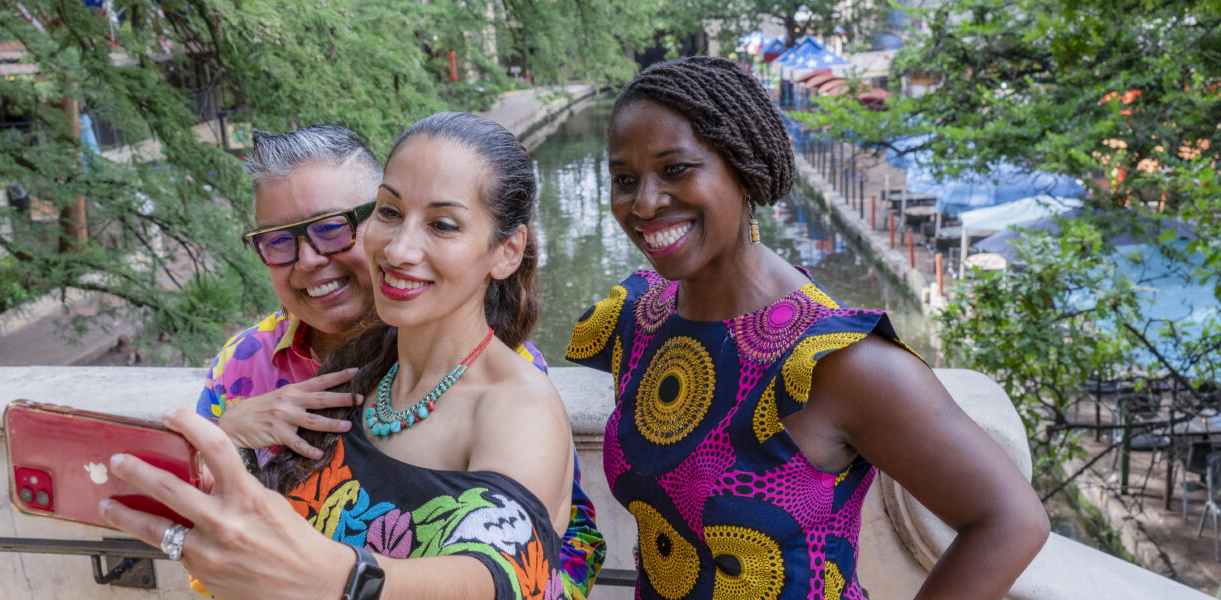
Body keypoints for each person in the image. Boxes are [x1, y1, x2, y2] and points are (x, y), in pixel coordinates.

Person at [566, 56, 1049, 599]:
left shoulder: (837, 361)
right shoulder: (638, 318)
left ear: (743, 170)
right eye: (624, 179)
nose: (644, 203)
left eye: (676, 169)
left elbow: (1011, 521)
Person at [101, 114, 586, 600]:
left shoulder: (517, 399)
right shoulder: (366, 371)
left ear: (506, 251)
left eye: (442, 224)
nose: (398, 249)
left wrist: (341, 578)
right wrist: (231, 441)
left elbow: (507, 567)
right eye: (391, 213)